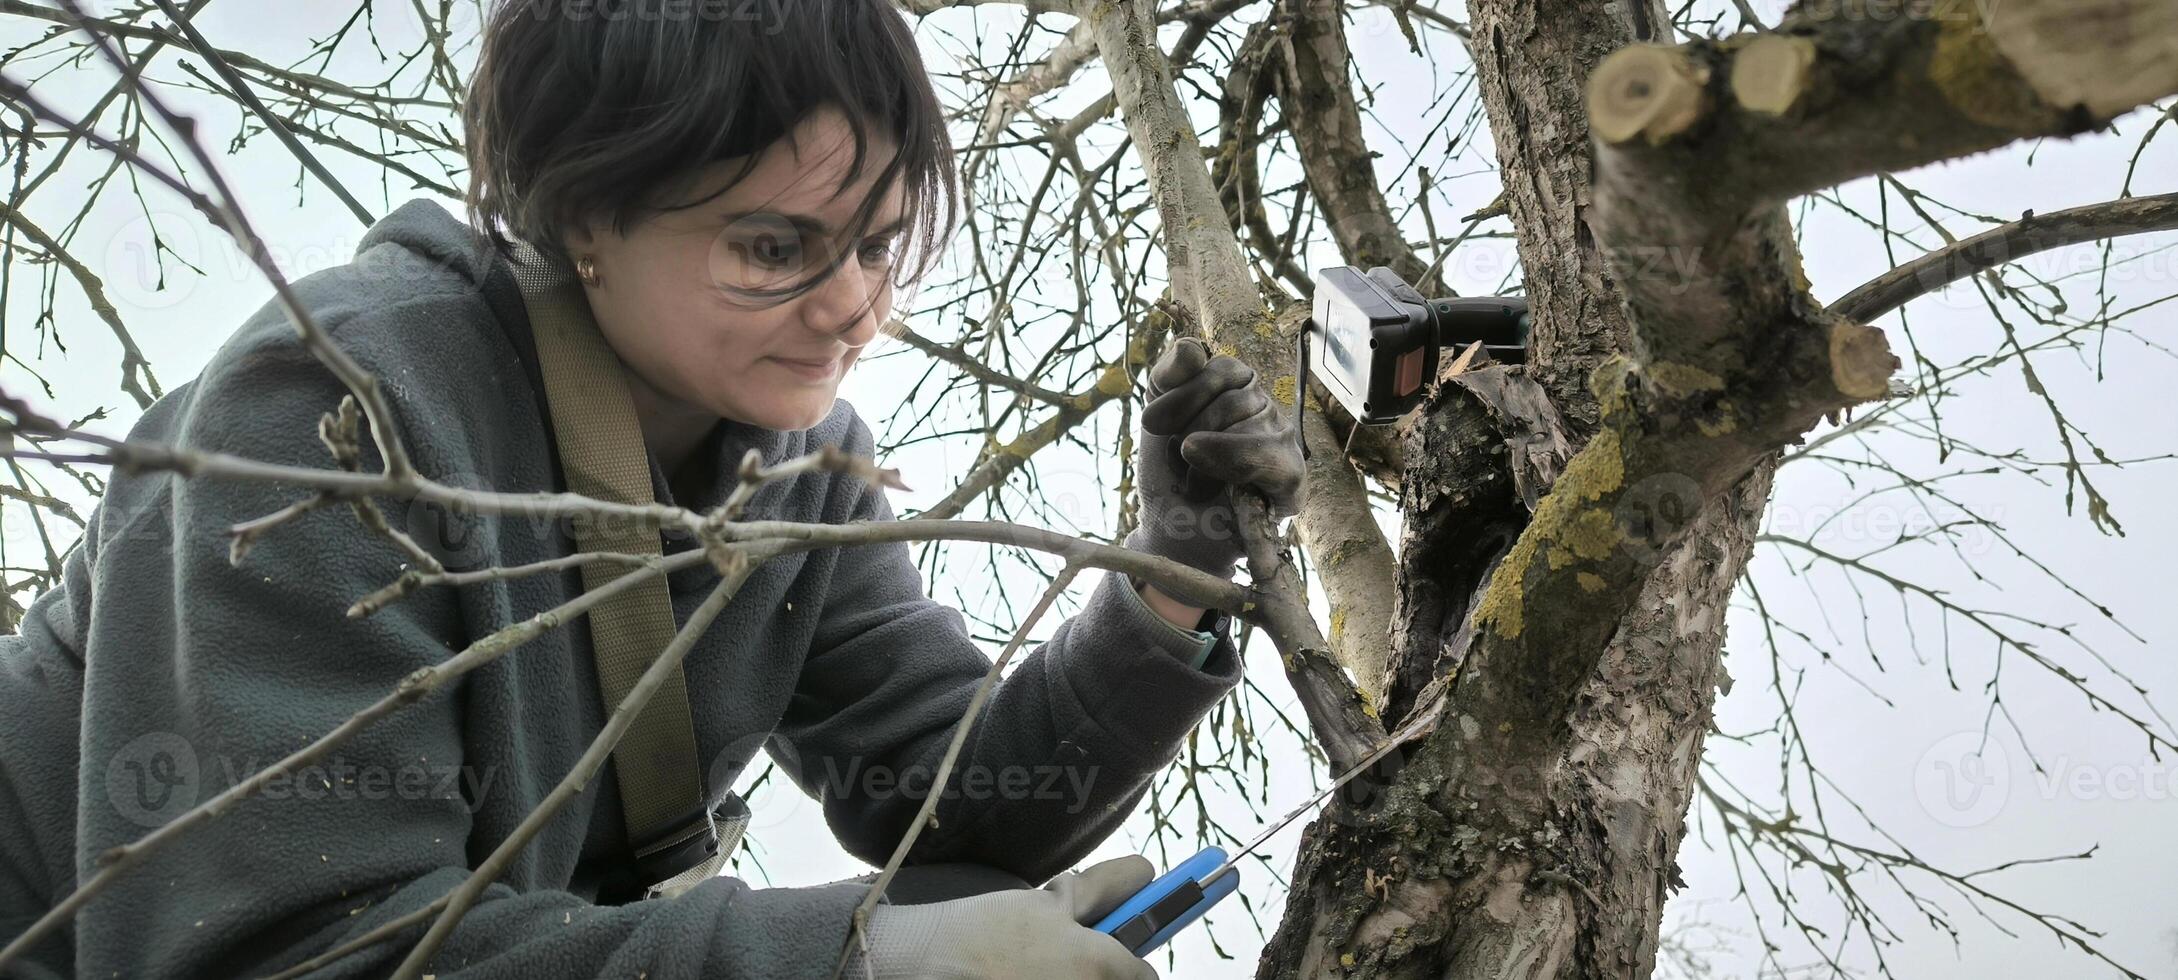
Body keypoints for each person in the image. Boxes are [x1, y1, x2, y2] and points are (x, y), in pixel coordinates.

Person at [0, 1, 1307, 978]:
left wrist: (1167, 583)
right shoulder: (331, 418)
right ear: (585, 220)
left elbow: (951, 802)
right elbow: (285, 954)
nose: (850, 306)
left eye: (876, 242)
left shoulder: (799, 467)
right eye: (773, 246)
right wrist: (852, 959)